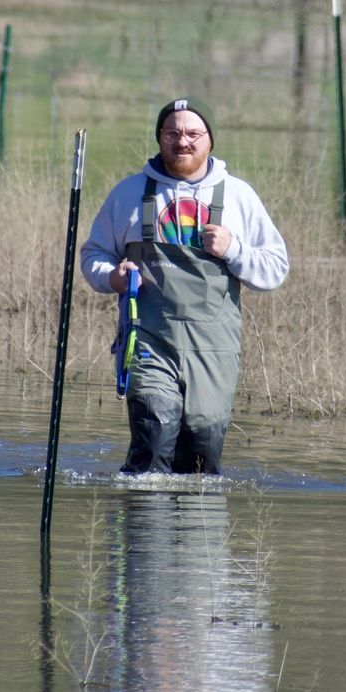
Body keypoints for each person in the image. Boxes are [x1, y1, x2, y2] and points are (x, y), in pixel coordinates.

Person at [82, 97, 288, 475]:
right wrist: (112, 276)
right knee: (154, 434)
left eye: (194, 133)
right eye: (172, 133)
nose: (183, 142)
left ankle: (195, 532)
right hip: (148, 340)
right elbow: (93, 255)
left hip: (214, 349)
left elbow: (275, 268)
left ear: (210, 139)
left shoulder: (239, 196)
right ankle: (143, 530)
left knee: (201, 452)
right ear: (159, 137)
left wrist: (234, 250)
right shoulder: (128, 193)